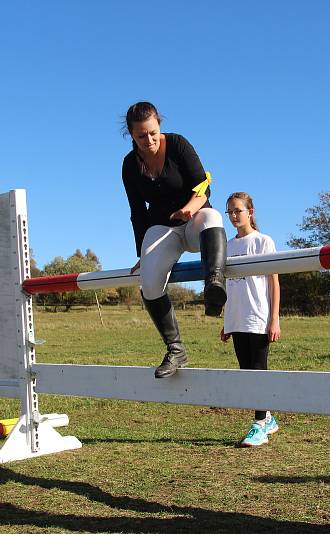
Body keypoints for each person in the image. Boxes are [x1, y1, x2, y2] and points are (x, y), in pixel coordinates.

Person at [121, 102, 227, 379]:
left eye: (153, 133)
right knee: (150, 281)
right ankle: (176, 349)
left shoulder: (179, 145)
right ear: (131, 135)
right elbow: (136, 212)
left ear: (160, 125)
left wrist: (191, 209)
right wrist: (141, 253)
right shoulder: (130, 165)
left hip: (194, 218)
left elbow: (205, 187)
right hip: (162, 227)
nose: (149, 141)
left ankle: (214, 286)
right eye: (141, 136)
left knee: (212, 217)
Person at [219, 192, 281, 447]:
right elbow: (227, 286)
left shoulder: (263, 242)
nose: (233, 216)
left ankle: (259, 426)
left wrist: (274, 319)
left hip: (258, 317)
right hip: (236, 318)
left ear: (250, 212)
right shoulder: (228, 246)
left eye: (238, 211)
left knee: (258, 372)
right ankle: (268, 418)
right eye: (229, 212)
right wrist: (225, 320)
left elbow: (274, 282)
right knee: (246, 374)